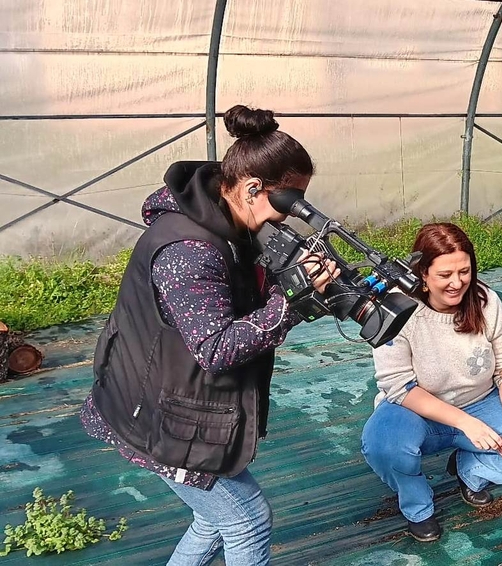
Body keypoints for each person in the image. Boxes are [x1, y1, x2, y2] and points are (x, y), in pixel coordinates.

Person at [81, 104, 339, 566]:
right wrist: (292, 304)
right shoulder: (190, 250)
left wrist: (292, 282)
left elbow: (242, 295)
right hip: (152, 411)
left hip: (165, 394)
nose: (289, 216)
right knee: (246, 520)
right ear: (251, 187)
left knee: (213, 518)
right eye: (288, 202)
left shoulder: (226, 220)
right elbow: (216, 348)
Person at [360, 223, 502, 542]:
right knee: (383, 445)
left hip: (483, 402)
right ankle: (418, 506)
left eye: (465, 271)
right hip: (417, 410)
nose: (457, 283)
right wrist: (466, 423)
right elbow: (399, 387)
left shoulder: (486, 302)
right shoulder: (396, 309)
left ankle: (468, 468)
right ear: (422, 274)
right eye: (445, 275)